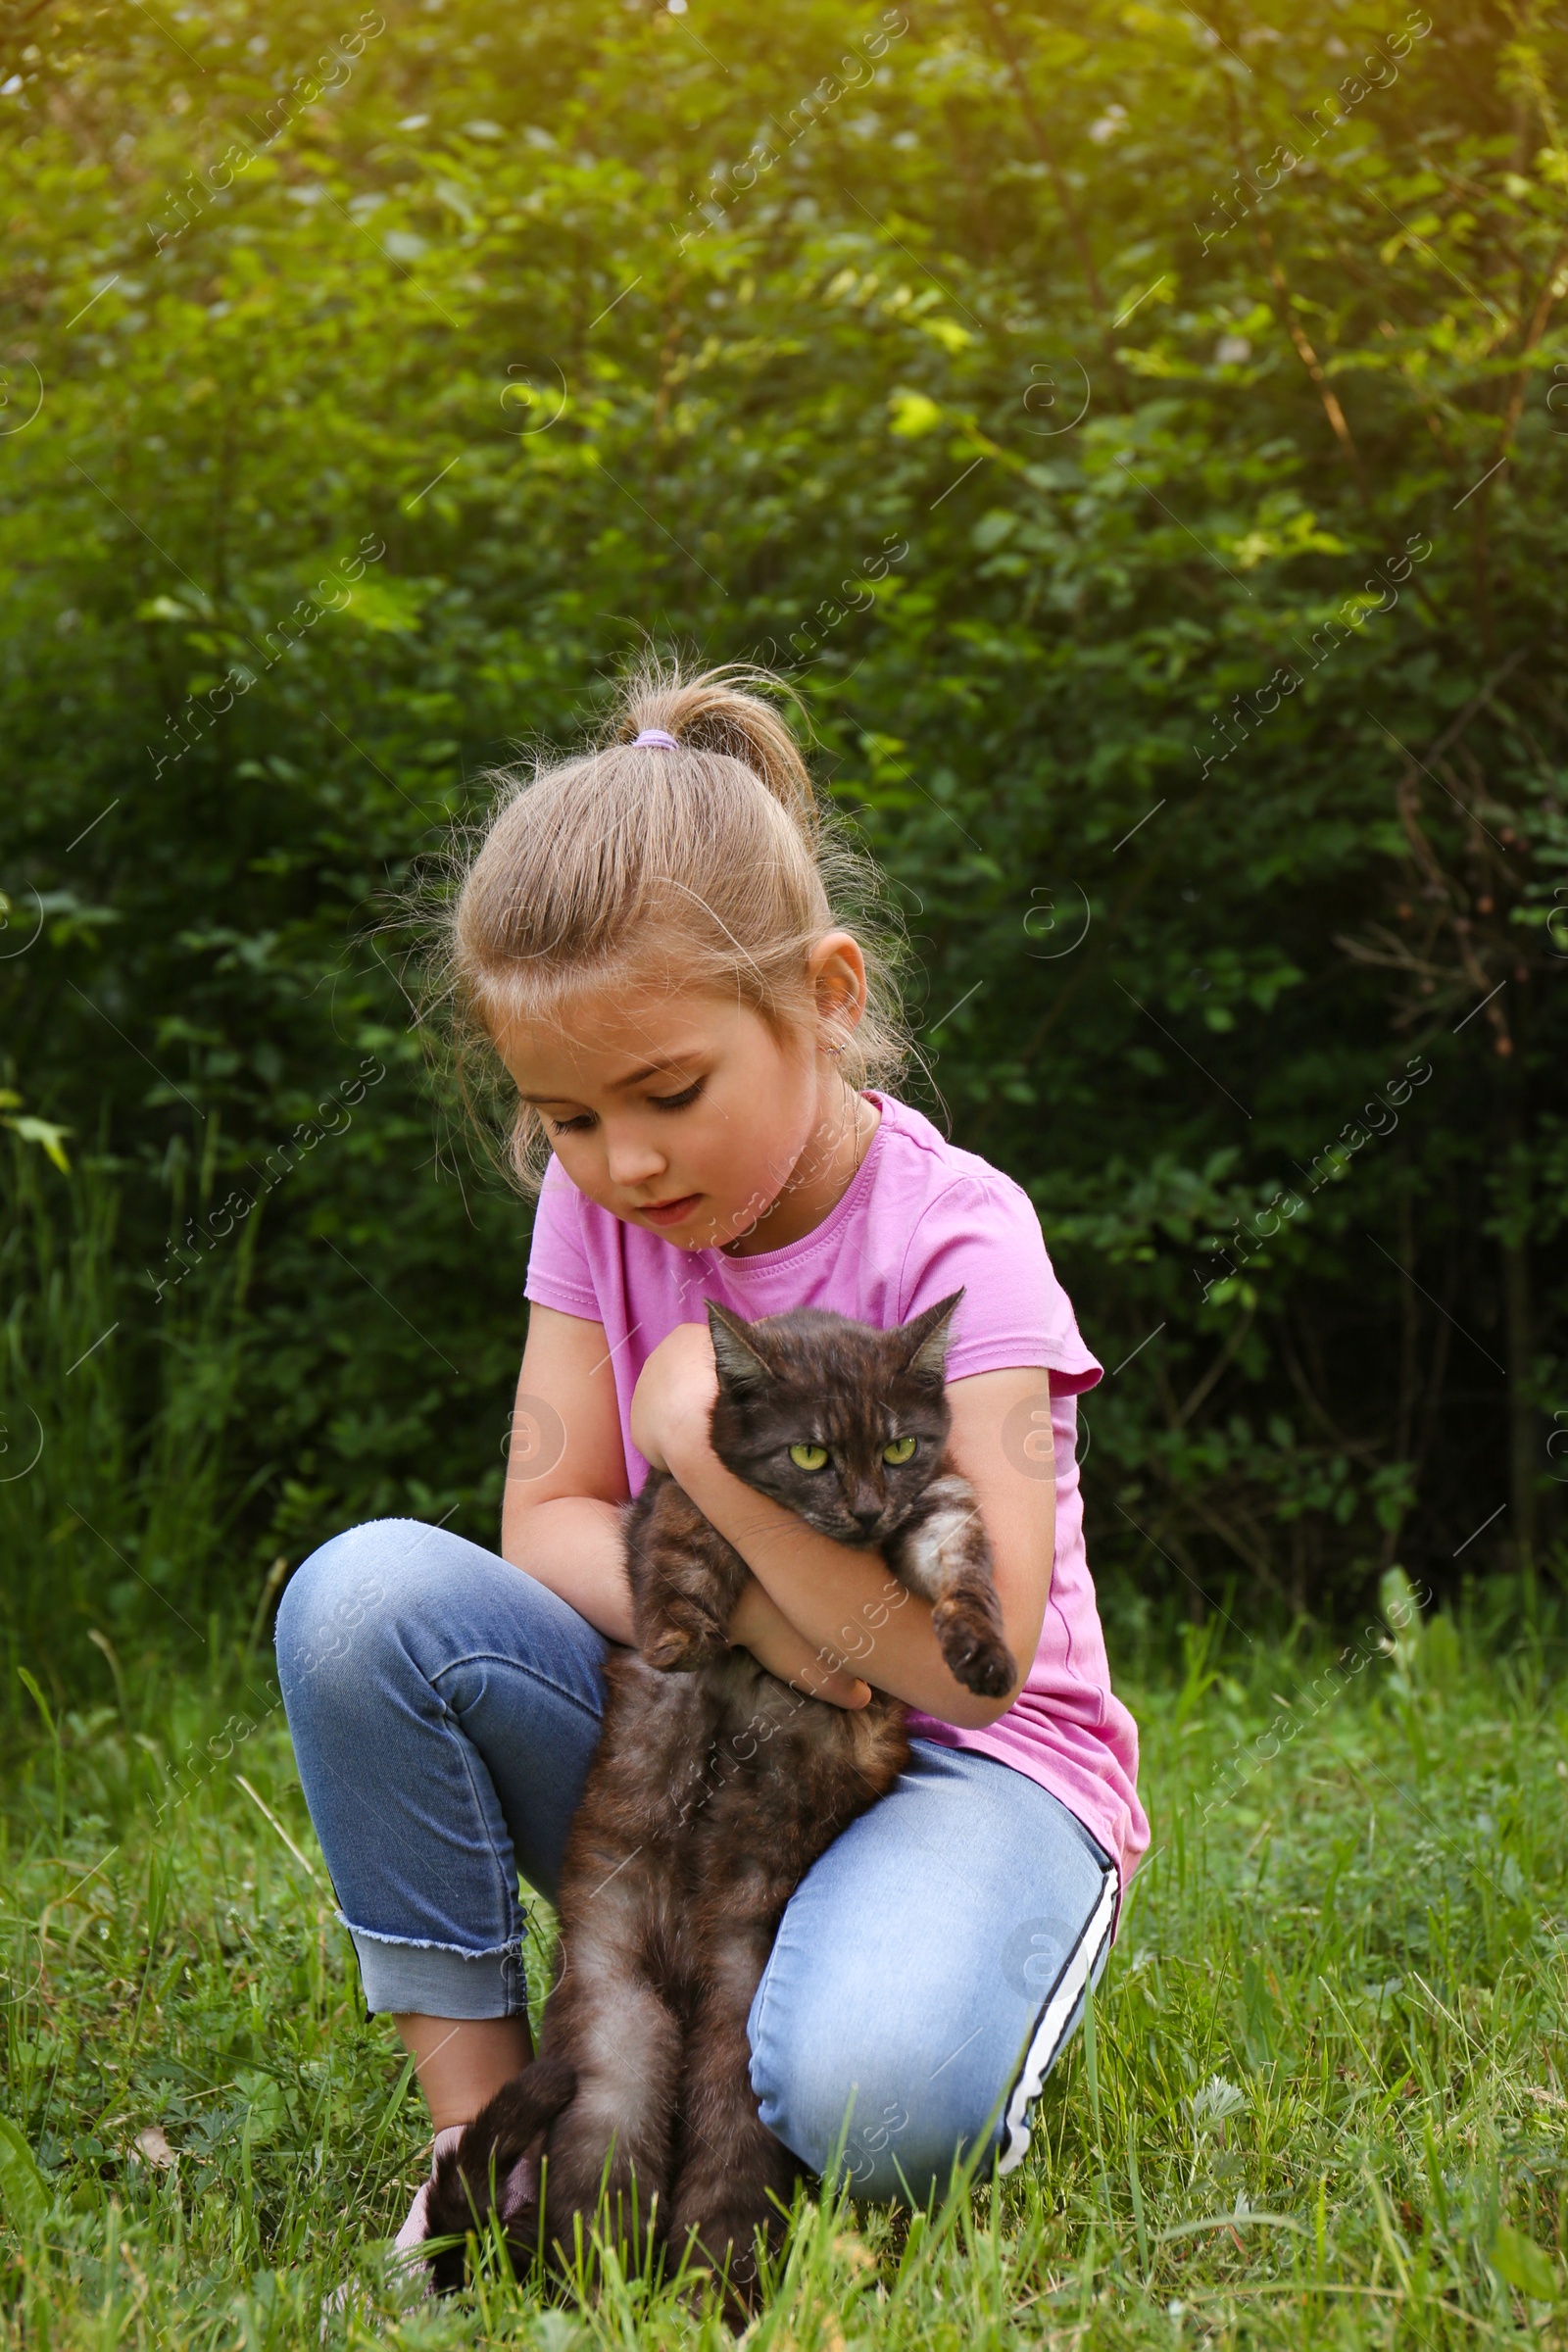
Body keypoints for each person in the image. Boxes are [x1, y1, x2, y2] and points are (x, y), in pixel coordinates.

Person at [275, 662, 1150, 2266]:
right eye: (569, 1120)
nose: (628, 1164)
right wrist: (757, 1622)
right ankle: (491, 2137)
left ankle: (831, 2011)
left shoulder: (970, 1242)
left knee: (876, 2110)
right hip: (696, 1734)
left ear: (824, 995)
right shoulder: (591, 1208)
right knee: (362, 1602)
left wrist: (699, 1445)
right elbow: (542, 1519)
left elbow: (966, 1672)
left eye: (668, 1094)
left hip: (969, 1769)